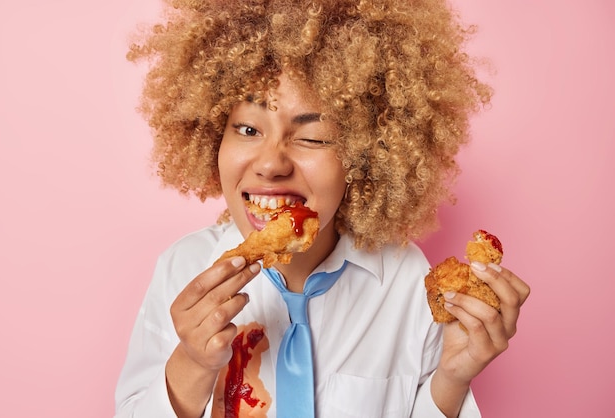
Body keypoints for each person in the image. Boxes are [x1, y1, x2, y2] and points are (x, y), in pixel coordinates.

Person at [115, 0, 530, 417]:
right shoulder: (181, 269)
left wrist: (452, 380)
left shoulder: (406, 284)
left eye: (312, 137)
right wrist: (192, 362)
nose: (270, 163)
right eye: (247, 129)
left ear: (366, 155)